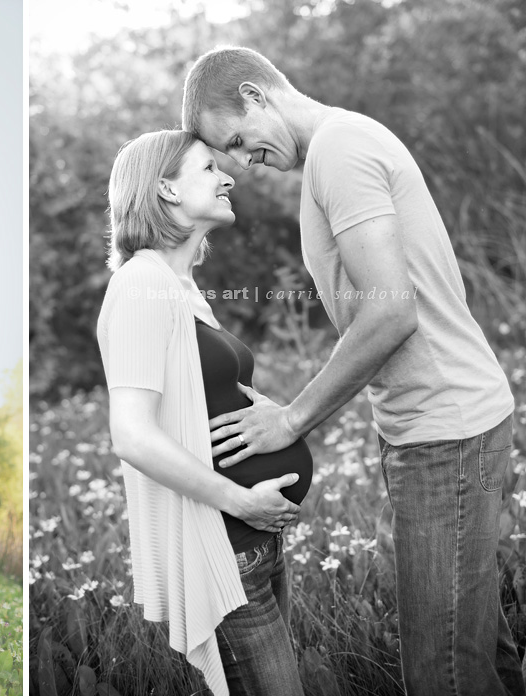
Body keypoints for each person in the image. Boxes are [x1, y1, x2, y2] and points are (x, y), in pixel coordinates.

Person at [182, 46, 521, 696]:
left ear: (256, 95)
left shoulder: (341, 150)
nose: (243, 163)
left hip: (446, 434)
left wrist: (293, 417)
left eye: (238, 141)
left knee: (443, 675)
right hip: (442, 425)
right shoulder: (336, 153)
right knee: (477, 658)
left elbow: (392, 313)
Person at [97, 129, 312, 696]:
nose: (228, 177)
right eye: (206, 170)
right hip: (224, 546)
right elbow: (132, 435)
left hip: (255, 541)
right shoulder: (142, 282)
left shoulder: (180, 285)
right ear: (165, 188)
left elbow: (203, 398)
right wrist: (241, 500)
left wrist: (272, 413)